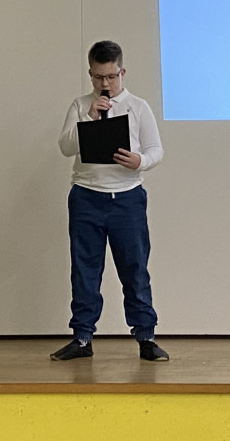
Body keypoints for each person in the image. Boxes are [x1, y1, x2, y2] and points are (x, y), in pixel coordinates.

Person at [52, 40, 169, 361]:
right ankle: (82, 338)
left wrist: (140, 161)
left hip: (127, 198)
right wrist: (90, 118)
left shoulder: (138, 106)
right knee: (85, 269)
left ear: (122, 72)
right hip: (86, 196)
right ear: (90, 74)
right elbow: (65, 147)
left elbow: (156, 149)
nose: (105, 84)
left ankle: (146, 337)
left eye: (111, 77)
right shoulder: (80, 106)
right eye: (98, 77)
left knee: (134, 267)